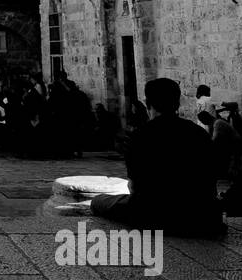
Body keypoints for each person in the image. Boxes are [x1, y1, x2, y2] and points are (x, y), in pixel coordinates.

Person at [90, 78, 224, 237]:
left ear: (148, 103)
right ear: (177, 103)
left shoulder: (140, 135)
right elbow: (211, 181)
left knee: (98, 201)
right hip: (201, 215)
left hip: (154, 214)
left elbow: (134, 187)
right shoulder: (199, 133)